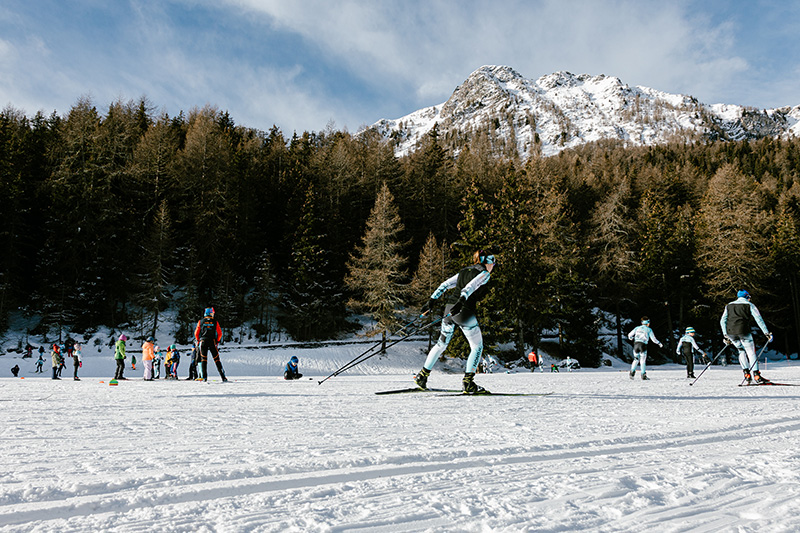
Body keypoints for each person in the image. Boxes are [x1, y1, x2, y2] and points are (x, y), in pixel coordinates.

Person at [414, 250, 495, 394]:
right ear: (486, 262)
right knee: (477, 346)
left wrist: (431, 301)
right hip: (463, 311)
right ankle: (468, 383)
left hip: (448, 310)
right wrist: (462, 301)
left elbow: (445, 285)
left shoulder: (464, 271)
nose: (493, 266)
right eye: (492, 263)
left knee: (441, 344)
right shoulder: (485, 274)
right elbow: (470, 287)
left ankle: (422, 376)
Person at [720, 290, 773, 384]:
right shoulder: (750, 305)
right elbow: (759, 319)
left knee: (741, 351)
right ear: (746, 296)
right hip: (744, 331)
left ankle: (746, 374)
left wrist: (725, 335)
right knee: (751, 352)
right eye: (749, 297)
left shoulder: (728, 305)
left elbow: (722, 321)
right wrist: (766, 333)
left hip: (731, 332)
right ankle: (756, 375)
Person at [194, 307, 227, 382]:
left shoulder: (200, 321)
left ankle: (204, 377)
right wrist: (217, 340)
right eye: (212, 313)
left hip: (203, 341)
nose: (213, 314)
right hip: (212, 341)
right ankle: (223, 377)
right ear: (210, 313)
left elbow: (196, 333)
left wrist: (198, 340)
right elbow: (220, 333)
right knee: (216, 359)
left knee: (204, 360)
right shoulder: (215, 321)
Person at [627, 316, 663, 380]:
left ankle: (632, 373)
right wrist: (659, 343)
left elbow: (629, 335)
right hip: (643, 345)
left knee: (636, 359)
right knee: (642, 361)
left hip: (636, 344)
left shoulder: (637, 328)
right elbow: (654, 339)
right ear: (648, 323)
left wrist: (631, 338)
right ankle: (643, 375)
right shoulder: (649, 329)